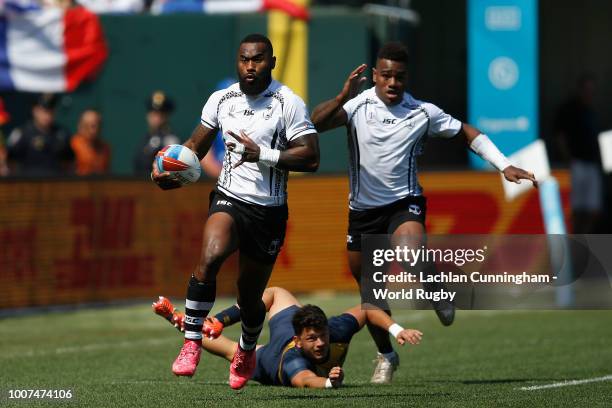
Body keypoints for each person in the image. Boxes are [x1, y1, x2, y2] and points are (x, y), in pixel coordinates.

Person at [311, 42, 537, 383]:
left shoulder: (422, 112)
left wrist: (503, 165)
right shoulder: (357, 106)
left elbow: (466, 133)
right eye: (385, 75)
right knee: (372, 295)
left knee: (409, 250)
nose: (392, 82)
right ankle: (386, 355)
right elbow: (316, 122)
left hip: (404, 203)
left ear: (406, 78)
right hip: (362, 212)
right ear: (374, 75)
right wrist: (343, 95)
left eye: (399, 76)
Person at [151, 33, 319, 390]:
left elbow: (311, 156)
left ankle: (245, 349)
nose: (250, 66)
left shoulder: (288, 103)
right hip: (229, 197)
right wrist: (168, 171)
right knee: (210, 258)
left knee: (249, 297)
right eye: (244, 59)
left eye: (257, 59)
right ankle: (192, 341)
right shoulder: (221, 99)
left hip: (269, 212)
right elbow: (194, 147)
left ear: (271, 62)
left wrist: (265, 154)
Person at [152, 287, 422, 388]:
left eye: (322, 337)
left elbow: (368, 308)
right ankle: (197, 322)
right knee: (233, 352)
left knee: (277, 293)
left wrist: (398, 330)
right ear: (300, 338)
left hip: (285, 331)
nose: (319, 343)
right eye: (312, 338)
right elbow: (303, 380)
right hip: (270, 358)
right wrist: (328, 383)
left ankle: (185, 321)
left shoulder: (333, 330)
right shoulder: (291, 359)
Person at [554, 75, 603, 233]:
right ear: (580, 90)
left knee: (593, 209)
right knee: (574, 209)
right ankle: (573, 242)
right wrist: (567, 158)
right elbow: (560, 136)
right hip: (576, 164)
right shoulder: (569, 110)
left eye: (592, 90)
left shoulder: (592, 111)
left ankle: (583, 241)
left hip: (592, 164)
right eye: (587, 90)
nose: (589, 93)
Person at [6, 93, 74, 176]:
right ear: (35, 111)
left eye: (50, 112)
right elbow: (10, 161)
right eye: (44, 111)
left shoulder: (62, 134)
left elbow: (69, 162)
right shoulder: (22, 133)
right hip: (27, 183)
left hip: (56, 182)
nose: (47, 116)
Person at [133, 91, 180, 175]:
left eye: (161, 114)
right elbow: (138, 165)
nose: (157, 118)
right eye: (154, 114)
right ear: (148, 116)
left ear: (167, 116)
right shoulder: (146, 139)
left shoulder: (172, 140)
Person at [70, 109, 111, 175]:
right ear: (80, 126)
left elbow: (106, 172)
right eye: (87, 125)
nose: (92, 130)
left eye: (95, 126)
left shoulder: (105, 148)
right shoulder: (72, 146)